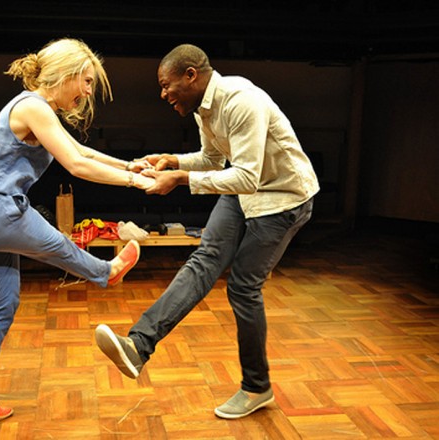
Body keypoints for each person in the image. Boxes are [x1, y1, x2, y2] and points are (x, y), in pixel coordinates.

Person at [95, 44, 319, 419]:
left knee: (243, 287)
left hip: (283, 199)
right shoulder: (204, 108)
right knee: (203, 261)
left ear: (191, 76)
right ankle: (137, 346)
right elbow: (213, 161)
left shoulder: (241, 101)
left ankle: (256, 387)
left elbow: (246, 174)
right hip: (245, 191)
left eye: (167, 86)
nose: (163, 94)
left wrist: (180, 179)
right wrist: (172, 159)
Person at [0, 38, 154, 421]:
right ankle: (105, 273)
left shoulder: (35, 109)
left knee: (4, 300)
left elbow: (83, 152)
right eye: (89, 82)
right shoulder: (33, 106)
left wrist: (129, 166)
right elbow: (77, 165)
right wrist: (136, 184)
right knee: (57, 242)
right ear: (69, 74)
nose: (89, 92)